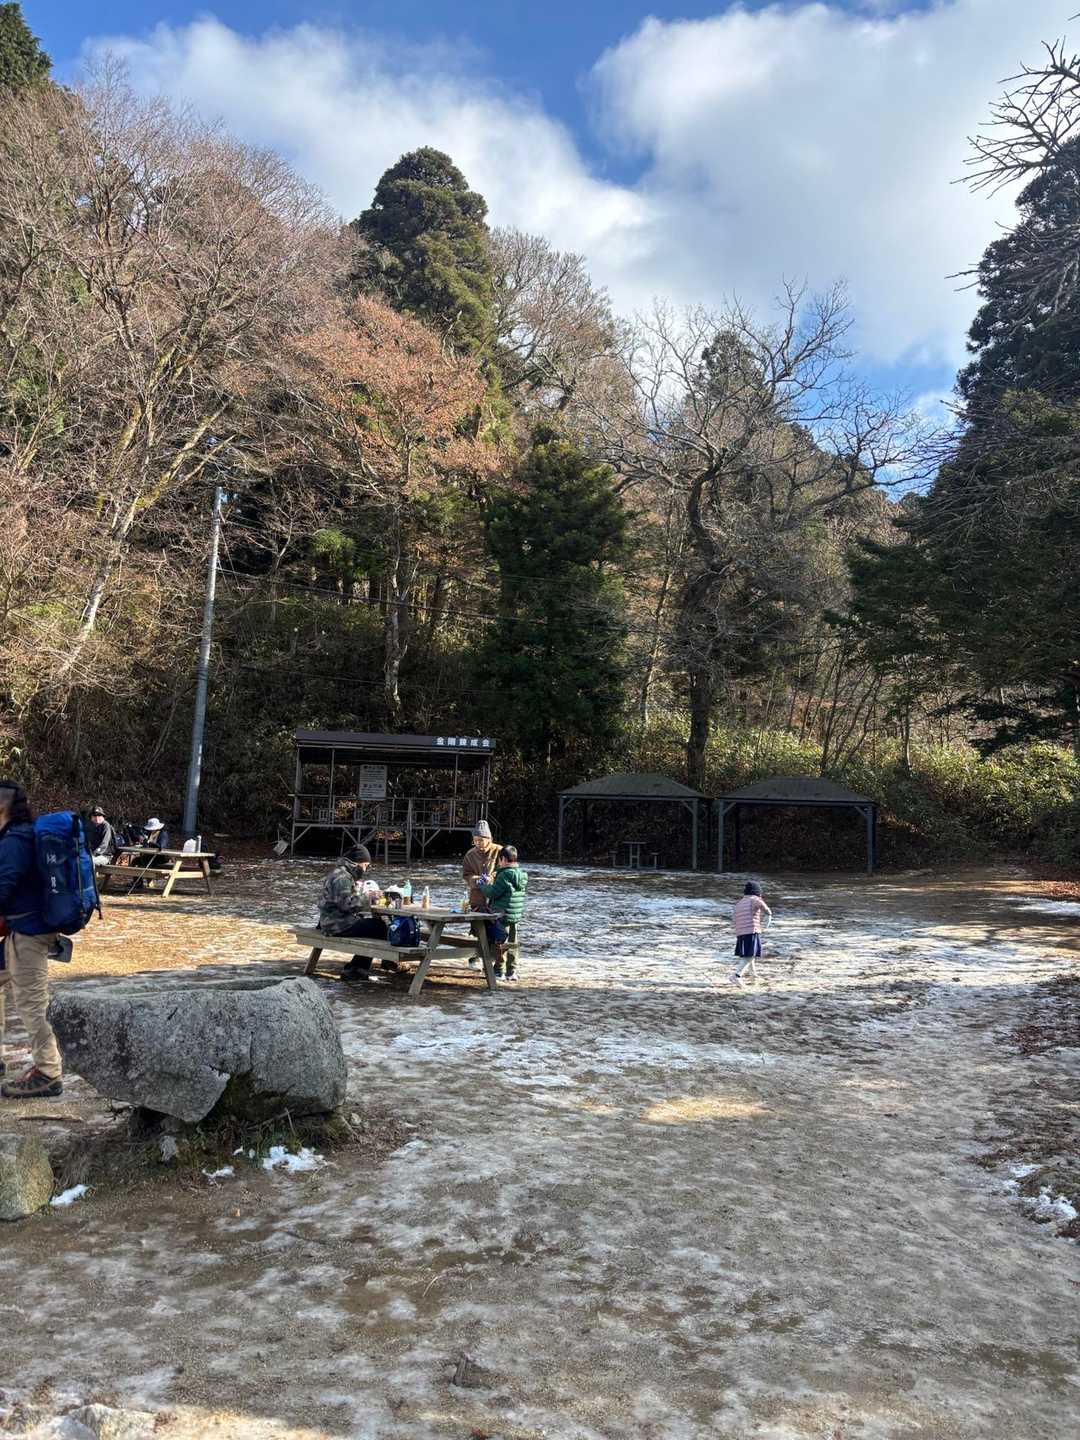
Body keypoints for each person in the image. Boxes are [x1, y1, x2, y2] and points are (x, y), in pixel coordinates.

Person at [0, 780, 63, 1099]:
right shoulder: (20, 835)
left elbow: (2, 887)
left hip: (29, 934)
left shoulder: (15, 841)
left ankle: (48, 1072)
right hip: (20, 931)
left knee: (32, 1003)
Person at [318, 844, 388, 983]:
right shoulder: (342, 877)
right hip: (337, 925)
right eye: (366, 866)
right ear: (357, 863)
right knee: (380, 927)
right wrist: (369, 898)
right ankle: (357, 969)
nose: (366, 869)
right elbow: (346, 904)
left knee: (373, 926)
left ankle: (360, 967)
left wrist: (362, 895)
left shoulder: (340, 873)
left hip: (330, 921)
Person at [476, 845, 528, 981]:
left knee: (499, 942)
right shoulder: (522, 875)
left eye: (499, 860)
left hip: (501, 914)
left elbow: (493, 893)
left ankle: (499, 970)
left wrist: (482, 885)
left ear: (503, 859)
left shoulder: (504, 875)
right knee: (513, 942)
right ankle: (512, 971)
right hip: (514, 915)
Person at [730, 880, 772, 984]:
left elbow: (734, 919)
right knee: (750, 955)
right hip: (752, 930)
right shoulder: (755, 900)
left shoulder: (739, 903)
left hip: (740, 932)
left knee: (750, 954)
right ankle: (737, 975)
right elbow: (768, 912)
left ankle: (753, 975)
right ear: (757, 892)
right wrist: (765, 927)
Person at [463, 820, 500, 911]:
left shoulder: (498, 850)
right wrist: (476, 880)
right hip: (476, 899)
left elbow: (503, 871)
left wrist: (490, 878)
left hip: (495, 899)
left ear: (489, 839)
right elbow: (466, 875)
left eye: (481, 840)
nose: (477, 843)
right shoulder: (470, 854)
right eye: (475, 840)